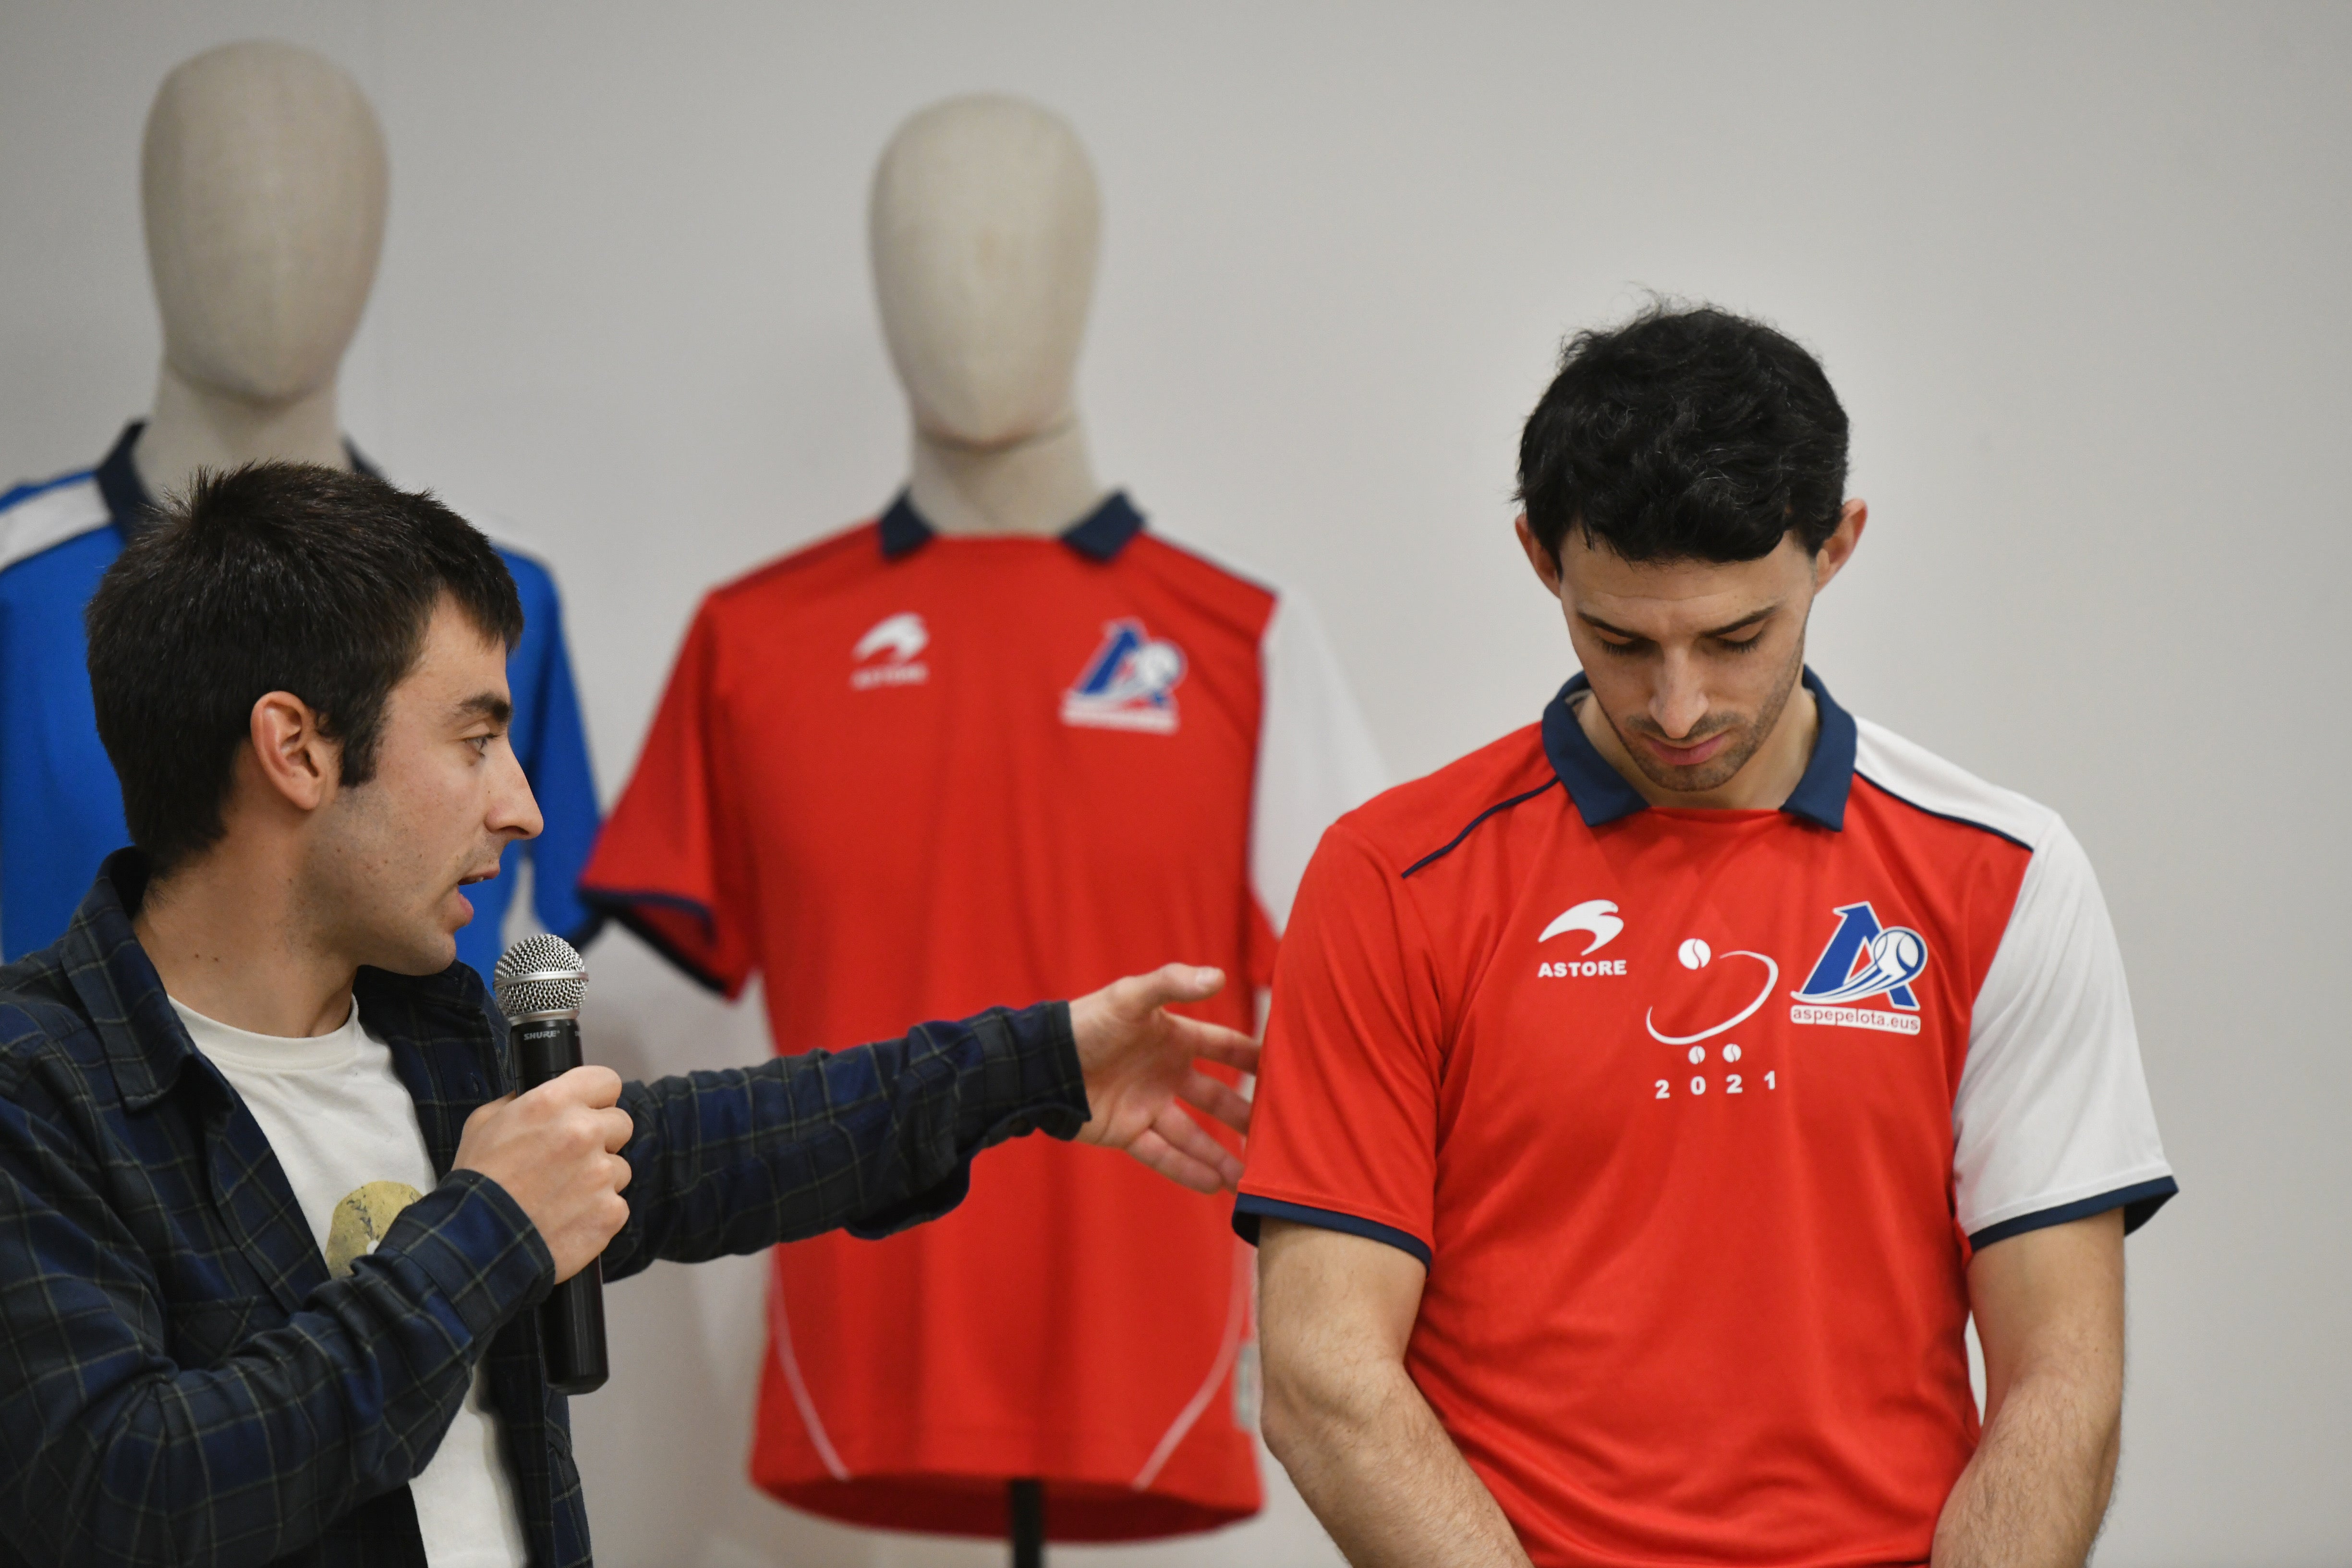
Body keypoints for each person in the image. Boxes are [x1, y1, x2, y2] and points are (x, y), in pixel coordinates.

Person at [0, 463, 1259, 1568]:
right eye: (476, 736)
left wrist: (1039, 1062)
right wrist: (487, 1227)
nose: (524, 806)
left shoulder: (440, 1042)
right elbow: (130, 1492)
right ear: (297, 750)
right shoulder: (35, 1088)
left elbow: (731, 1144)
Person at [1235, 305, 2175, 1568]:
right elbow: (1323, 1376)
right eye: (1619, 640)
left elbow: (2061, 1385)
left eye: (1735, 638)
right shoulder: (1390, 878)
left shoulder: (2001, 877)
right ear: (1537, 558)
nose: (1675, 706)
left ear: (1834, 548)